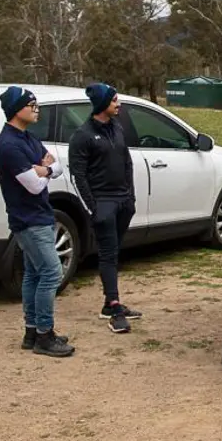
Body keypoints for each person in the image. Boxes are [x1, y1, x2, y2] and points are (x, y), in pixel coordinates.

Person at [0, 86, 75, 358]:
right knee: (52, 272)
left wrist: (44, 169)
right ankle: (44, 334)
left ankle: (31, 332)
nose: (36, 110)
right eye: (32, 105)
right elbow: (33, 185)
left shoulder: (28, 138)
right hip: (28, 219)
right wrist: (45, 171)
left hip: (41, 214)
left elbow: (57, 166)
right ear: (16, 109)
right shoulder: (9, 144)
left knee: (33, 274)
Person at [69, 82, 141, 334]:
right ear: (102, 104)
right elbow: (78, 176)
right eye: (113, 101)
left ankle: (109, 303)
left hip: (123, 202)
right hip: (103, 203)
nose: (118, 104)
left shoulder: (117, 128)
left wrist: (130, 198)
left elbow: (127, 162)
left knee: (114, 252)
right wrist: (94, 207)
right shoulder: (83, 135)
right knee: (108, 254)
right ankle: (114, 308)